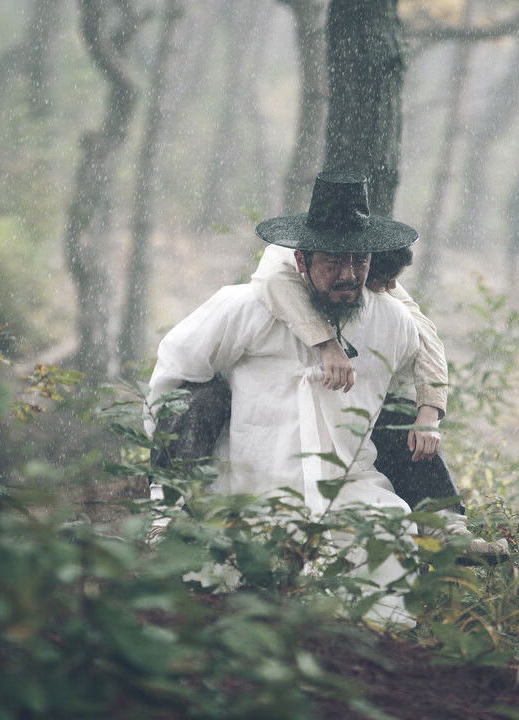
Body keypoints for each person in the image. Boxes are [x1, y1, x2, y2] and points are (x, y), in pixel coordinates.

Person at [147, 171, 423, 626]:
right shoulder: (244, 307)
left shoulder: (393, 323)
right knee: (223, 596)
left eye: (359, 261)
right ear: (300, 259)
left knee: (386, 546)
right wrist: (172, 482)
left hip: (348, 484)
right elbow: (176, 376)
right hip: (245, 481)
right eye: (332, 262)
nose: (348, 275)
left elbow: (405, 397)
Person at [251, 231, 507, 559]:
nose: (389, 288)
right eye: (383, 282)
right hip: (287, 407)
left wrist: (429, 414)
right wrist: (327, 344)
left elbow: (425, 334)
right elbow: (273, 281)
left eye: (391, 281)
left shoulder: (377, 285)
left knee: (402, 421)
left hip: (363, 404)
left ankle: (445, 528)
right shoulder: (286, 263)